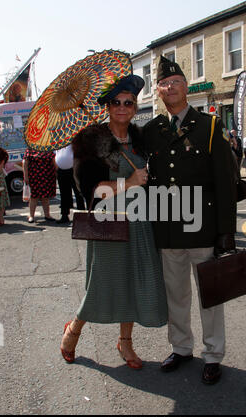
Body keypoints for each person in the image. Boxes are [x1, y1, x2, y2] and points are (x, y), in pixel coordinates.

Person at [60, 75, 167, 369]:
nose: (122, 107)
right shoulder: (90, 140)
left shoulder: (140, 139)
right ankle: (74, 330)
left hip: (140, 221)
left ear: (135, 107)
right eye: (116, 102)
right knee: (102, 281)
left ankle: (125, 343)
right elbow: (89, 189)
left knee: (132, 280)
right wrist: (128, 182)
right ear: (108, 106)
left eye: (128, 102)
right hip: (108, 221)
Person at [142, 56, 237, 385]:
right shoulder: (151, 130)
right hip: (168, 229)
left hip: (202, 227)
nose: (170, 87)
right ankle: (181, 348)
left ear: (186, 86)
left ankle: (213, 354)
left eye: (176, 82)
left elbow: (225, 182)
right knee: (175, 296)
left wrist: (226, 232)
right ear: (157, 91)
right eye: (164, 84)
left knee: (211, 294)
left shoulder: (210, 126)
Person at [22, 148, 57, 223]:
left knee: (46, 197)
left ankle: (47, 215)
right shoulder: (30, 149)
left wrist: (58, 172)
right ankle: (31, 216)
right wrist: (26, 176)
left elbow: (54, 161)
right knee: (33, 197)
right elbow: (25, 163)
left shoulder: (48, 149)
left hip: (47, 177)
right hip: (34, 177)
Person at [55, 144, 85, 224]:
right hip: (61, 170)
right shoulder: (59, 143)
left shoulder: (74, 140)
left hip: (73, 169)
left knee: (78, 192)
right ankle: (64, 215)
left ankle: (82, 215)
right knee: (64, 193)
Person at [0, 147, 10, 226]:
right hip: (0, 183)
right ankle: (1, 218)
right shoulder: (2, 158)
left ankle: (0, 218)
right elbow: (1, 169)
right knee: (1, 201)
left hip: (0, 182)